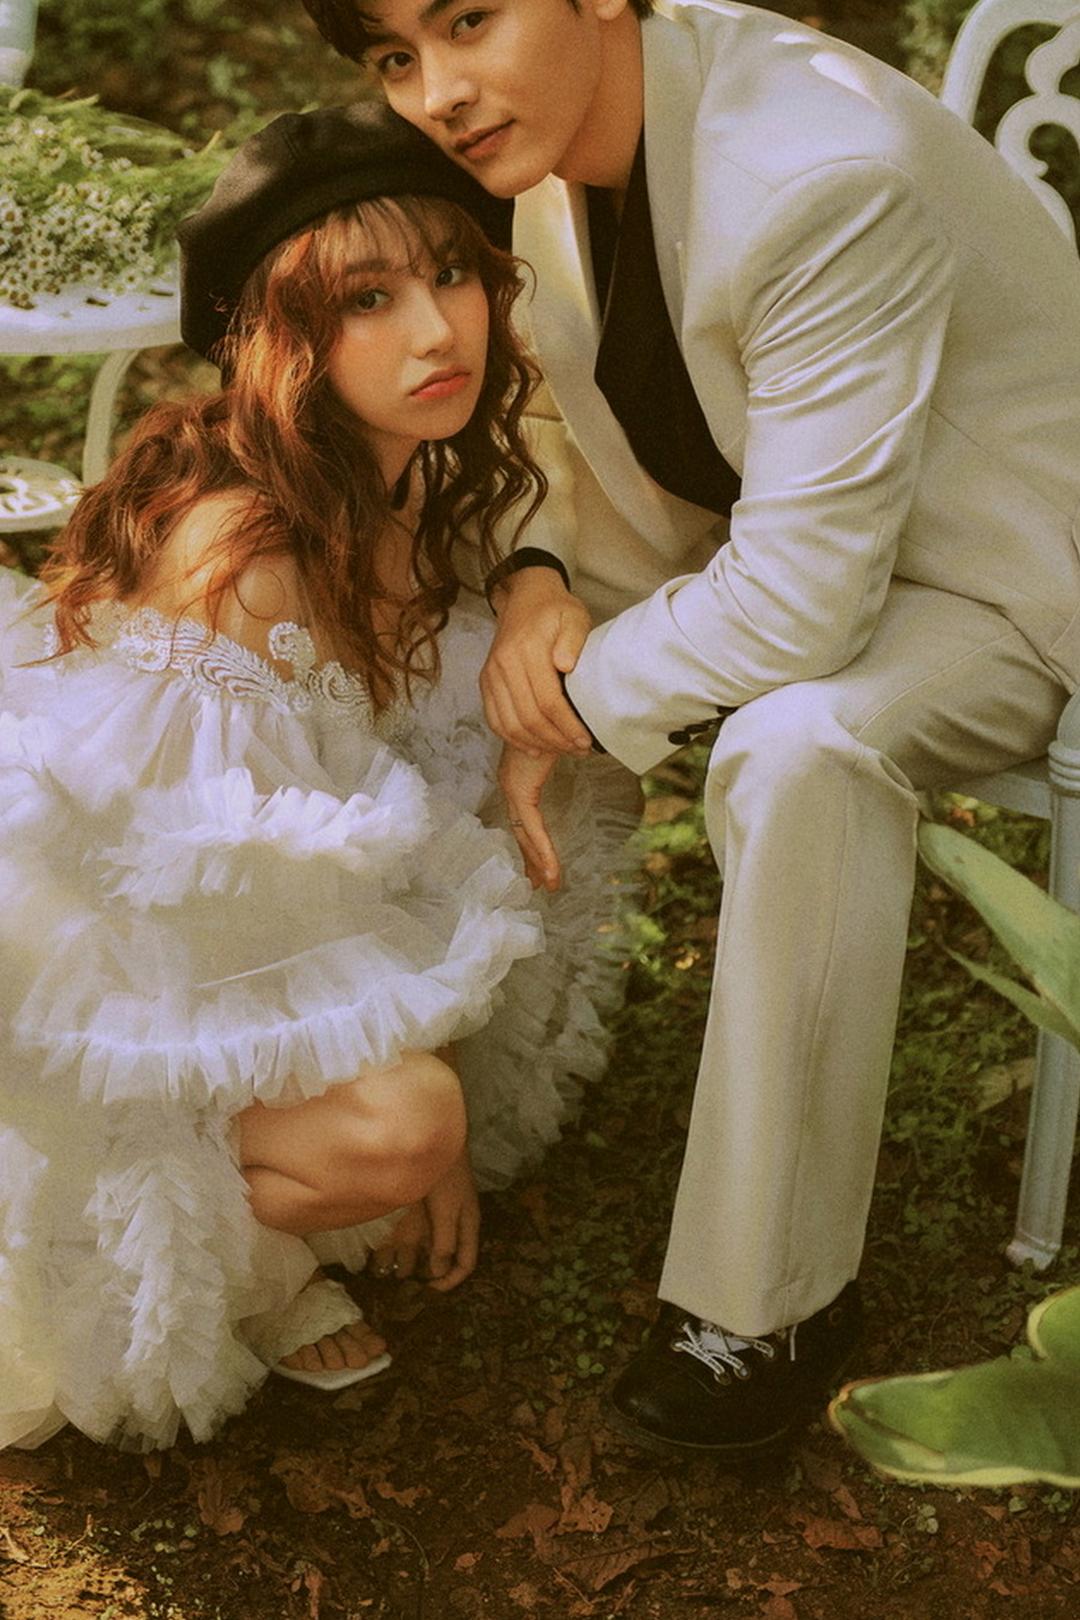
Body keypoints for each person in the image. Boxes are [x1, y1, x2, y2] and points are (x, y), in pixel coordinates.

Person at [301, 0, 1080, 1458]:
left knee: (797, 745)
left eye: (469, 19)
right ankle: (380, 1084)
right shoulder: (553, 136)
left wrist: (571, 699)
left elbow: (801, 606)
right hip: (768, 529)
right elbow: (545, 417)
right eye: (397, 57)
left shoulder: (818, 172)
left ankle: (764, 1306)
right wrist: (536, 580)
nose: (439, 92)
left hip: (1004, 576)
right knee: (433, 609)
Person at [0, 100, 635, 1453]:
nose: (438, 332)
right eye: (368, 299)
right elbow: (206, 912)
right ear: (283, 341)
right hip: (135, 994)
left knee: (419, 1114)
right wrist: (425, 1107)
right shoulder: (247, 557)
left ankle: (318, 1188)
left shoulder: (417, 478)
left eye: (452, 273)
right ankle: (247, 1265)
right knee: (407, 1126)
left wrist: (534, 585)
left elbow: (551, 483)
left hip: (260, 956)